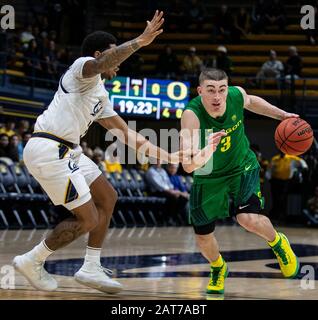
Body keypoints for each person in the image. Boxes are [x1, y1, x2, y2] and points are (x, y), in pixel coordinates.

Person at [13, 11, 188, 295]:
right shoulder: (81, 67)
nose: (118, 65)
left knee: (108, 196)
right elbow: (103, 62)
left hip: (69, 151)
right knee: (88, 218)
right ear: (99, 53)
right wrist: (139, 42)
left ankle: (91, 266)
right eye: (114, 57)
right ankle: (33, 260)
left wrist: (170, 157)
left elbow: (127, 134)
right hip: (49, 148)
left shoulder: (100, 94)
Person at [180, 68, 300, 295]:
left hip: (241, 167)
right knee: (202, 236)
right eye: (211, 90)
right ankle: (218, 267)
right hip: (208, 175)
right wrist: (208, 149)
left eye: (221, 90)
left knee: (248, 219)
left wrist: (282, 115)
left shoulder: (235, 95)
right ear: (200, 91)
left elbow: (252, 101)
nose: (217, 97)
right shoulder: (191, 115)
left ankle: (279, 243)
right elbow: (187, 166)